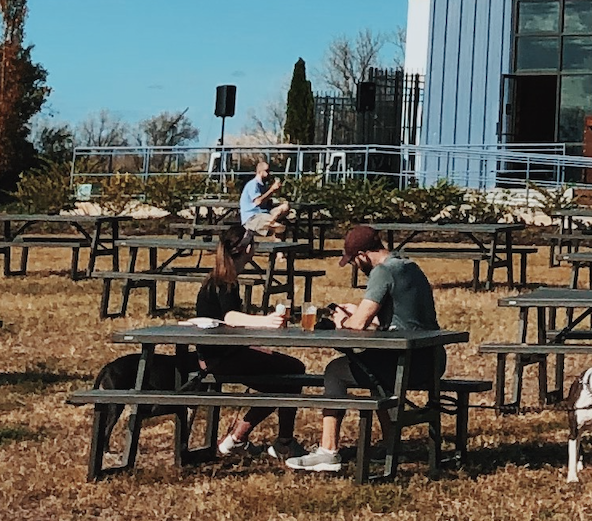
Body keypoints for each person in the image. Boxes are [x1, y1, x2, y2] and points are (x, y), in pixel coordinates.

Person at [287, 225, 444, 474]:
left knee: (336, 371)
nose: (356, 267)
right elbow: (399, 318)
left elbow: (359, 325)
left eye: (353, 261)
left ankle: (328, 452)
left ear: (362, 255)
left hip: (407, 362)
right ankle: (392, 443)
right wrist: (359, 310)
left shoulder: (382, 272)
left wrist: (341, 321)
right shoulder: (409, 266)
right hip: (431, 358)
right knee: (369, 368)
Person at [190, 224, 308, 459]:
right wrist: (266, 321)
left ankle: (239, 439)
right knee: (293, 371)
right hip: (220, 359)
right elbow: (230, 317)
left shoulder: (220, 277)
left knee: (284, 378)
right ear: (248, 249)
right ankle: (275, 441)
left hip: (220, 354)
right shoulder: (225, 281)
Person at [238, 159, 290, 236]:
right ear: (260, 172)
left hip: (265, 213)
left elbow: (266, 200)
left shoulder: (263, 185)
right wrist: (272, 190)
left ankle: (270, 224)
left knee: (285, 207)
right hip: (252, 216)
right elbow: (258, 202)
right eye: (266, 171)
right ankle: (271, 225)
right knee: (281, 227)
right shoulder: (253, 184)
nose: (269, 173)